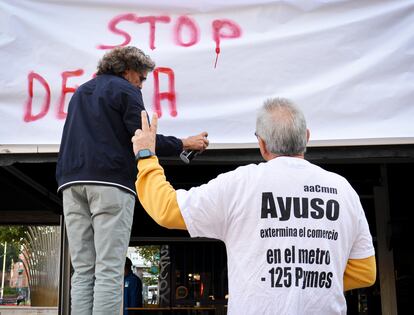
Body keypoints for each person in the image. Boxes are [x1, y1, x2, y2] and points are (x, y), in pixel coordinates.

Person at [131, 98, 376, 314]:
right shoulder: (343, 190)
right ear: (307, 137)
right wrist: (306, 282)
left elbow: (166, 209)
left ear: (262, 144)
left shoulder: (241, 185)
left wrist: (146, 156)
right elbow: (365, 271)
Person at [56, 46, 209, 315]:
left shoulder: (80, 92)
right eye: (141, 78)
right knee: (109, 269)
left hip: (71, 182)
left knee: (82, 270)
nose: (141, 85)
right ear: (128, 71)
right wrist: (185, 142)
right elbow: (144, 139)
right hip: (110, 183)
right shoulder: (126, 90)